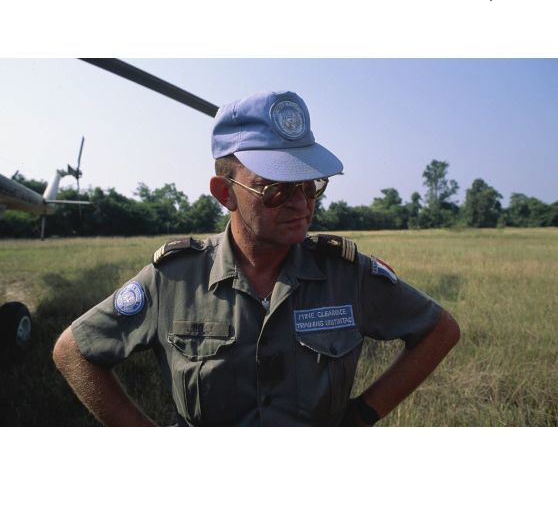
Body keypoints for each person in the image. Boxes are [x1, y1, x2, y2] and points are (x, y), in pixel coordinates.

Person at [53, 90, 460, 427]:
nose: (301, 204)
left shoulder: (346, 274)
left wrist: (361, 415)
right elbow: (74, 350)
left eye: (311, 185)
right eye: (276, 190)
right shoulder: (174, 279)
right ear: (224, 192)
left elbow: (440, 330)